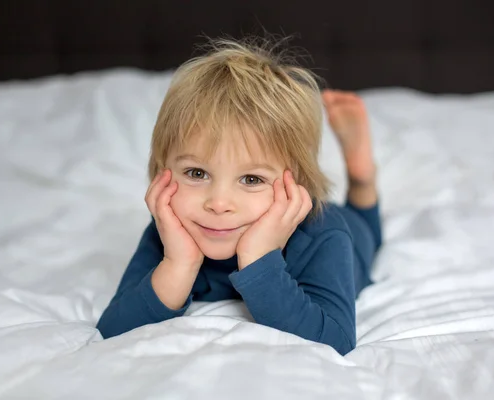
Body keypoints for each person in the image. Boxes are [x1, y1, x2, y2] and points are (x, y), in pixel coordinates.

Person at [96, 38, 382, 356]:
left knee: (368, 232)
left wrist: (259, 260)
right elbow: (112, 331)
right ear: (163, 171)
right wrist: (178, 263)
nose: (218, 204)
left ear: (296, 187)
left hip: (350, 232)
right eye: (196, 173)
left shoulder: (325, 235)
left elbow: (336, 342)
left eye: (251, 178)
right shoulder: (171, 229)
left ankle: (362, 179)